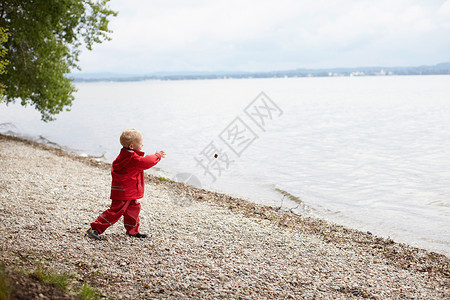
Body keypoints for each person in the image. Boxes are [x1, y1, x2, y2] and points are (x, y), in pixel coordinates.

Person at [86, 128, 166, 240]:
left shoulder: (124, 155)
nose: (143, 144)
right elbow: (146, 162)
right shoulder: (132, 158)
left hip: (127, 190)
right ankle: (95, 228)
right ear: (132, 146)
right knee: (115, 211)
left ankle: (133, 231)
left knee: (133, 209)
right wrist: (158, 155)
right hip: (125, 191)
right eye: (140, 142)